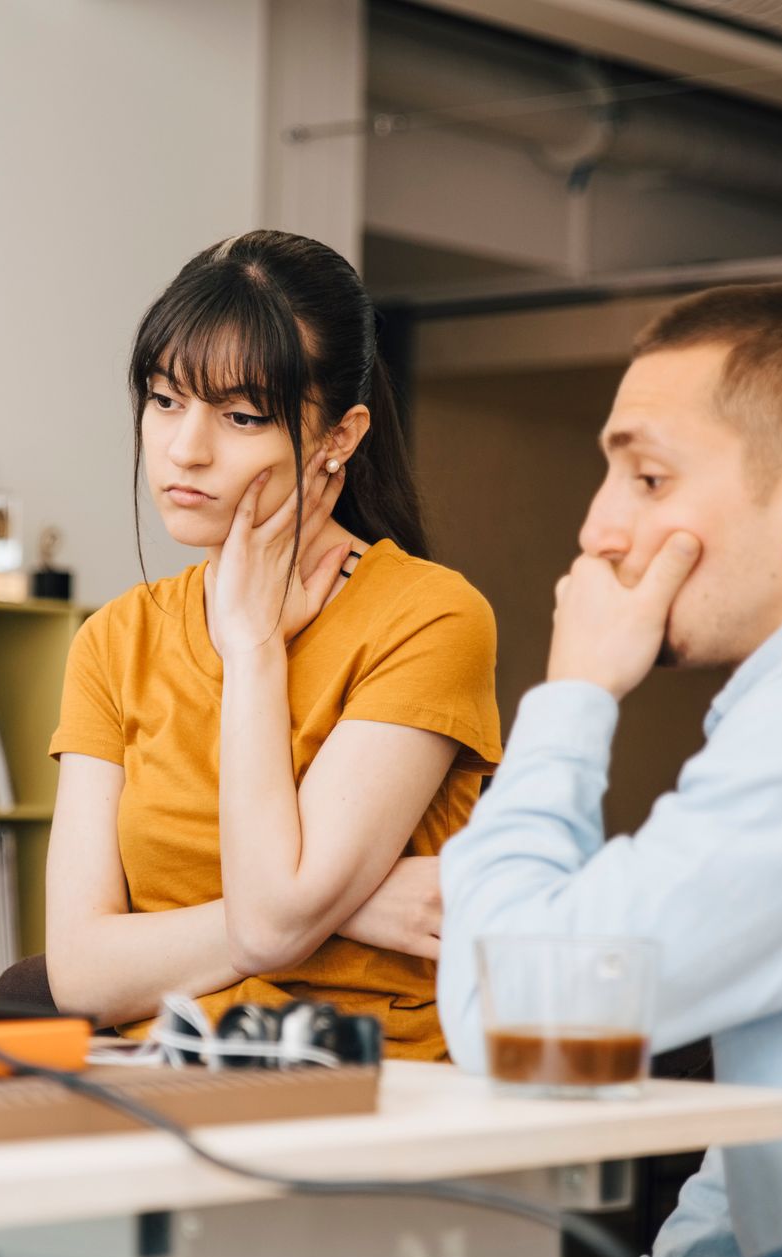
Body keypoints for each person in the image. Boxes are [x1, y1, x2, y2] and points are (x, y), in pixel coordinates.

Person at [438, 284, 782, 1257]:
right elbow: (773, 1122)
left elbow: (516, 1021)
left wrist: (574, 693)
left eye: (650, 477)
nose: (598, 531)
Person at [44, 231, 502, 1059]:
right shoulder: (114, 640)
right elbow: (78, 974)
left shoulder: (430, 619)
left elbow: (275, 923)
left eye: (242, 415)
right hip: (159, 1085)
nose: (185, 448)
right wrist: (351, 906)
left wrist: (255, 648)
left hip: (376, 1096)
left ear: (339, 436)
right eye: (165, 400)